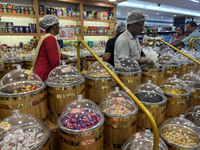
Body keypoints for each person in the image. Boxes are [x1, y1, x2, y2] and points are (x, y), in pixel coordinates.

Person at [32, 15, 75, 81]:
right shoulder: (50, 39)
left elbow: (58, 55)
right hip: (44, 75)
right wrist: (71, 60)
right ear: (54, 26)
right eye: (58, 25)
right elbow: (55, 63)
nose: (59, 27)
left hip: (42, 73)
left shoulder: (46, 37)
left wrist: (72, 56)